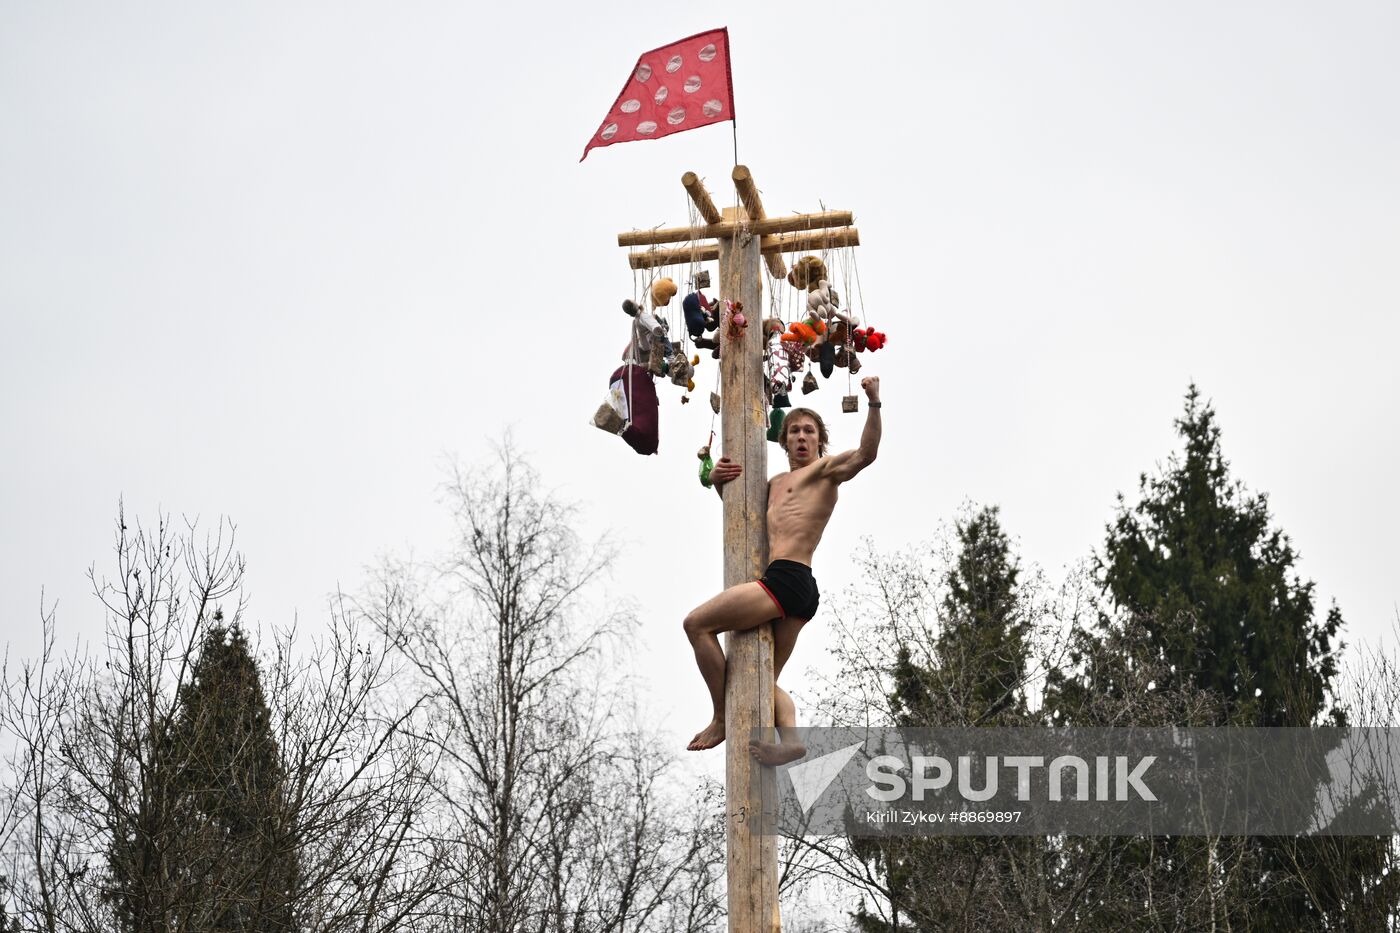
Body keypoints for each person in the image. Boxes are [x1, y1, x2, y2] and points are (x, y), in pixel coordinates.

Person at [684, 376, 883, 764]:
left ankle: (721, 718)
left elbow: (866, 454)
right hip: (795, 590)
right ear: (784, 441)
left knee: (696, 625)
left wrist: (874, 402)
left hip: (789, 578)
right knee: (762, 679)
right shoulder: (773, 483)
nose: (801, 437)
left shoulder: (825, 471)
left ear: (820, 440)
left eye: (809, 431)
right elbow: (740, 507)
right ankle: (791, 740)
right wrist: (715, 480)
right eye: (794, 431)